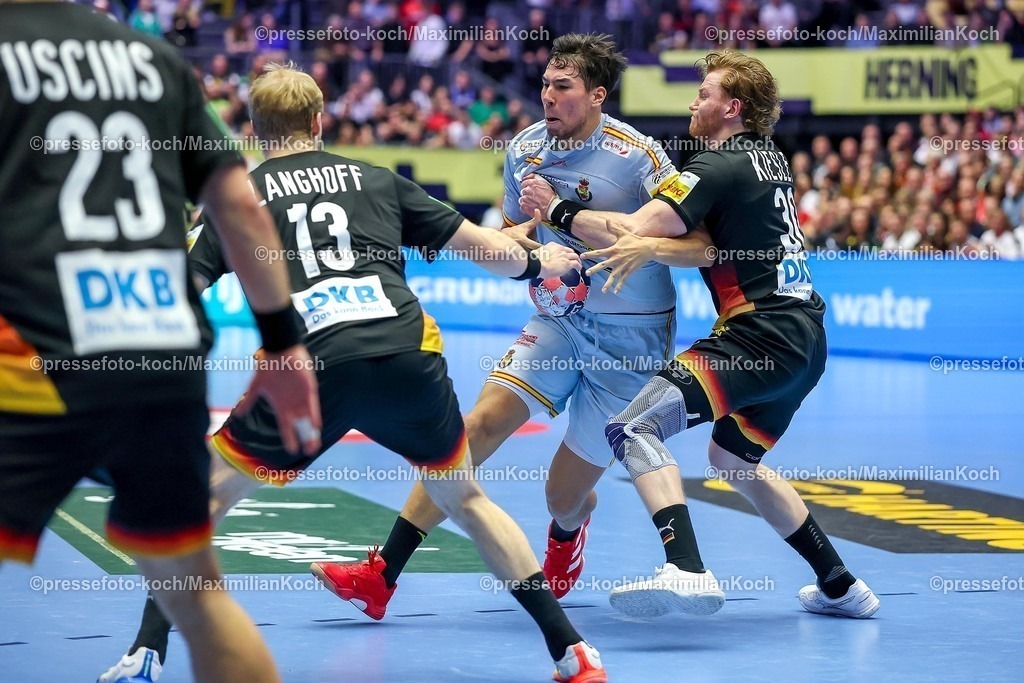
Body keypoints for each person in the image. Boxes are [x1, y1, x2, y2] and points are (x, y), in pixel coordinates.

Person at [99, 64, 606, 683]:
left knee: (197, 499)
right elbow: (489, 251)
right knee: (466, 498)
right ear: (319, 122)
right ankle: (572, 652)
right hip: (405, 355)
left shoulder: (237, 198)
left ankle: (145, 654)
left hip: (313, 366)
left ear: (253, 130)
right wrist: (540, 260)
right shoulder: (376, 178)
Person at [314, 32, 689, 616]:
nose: (547, 96)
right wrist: (524, 245)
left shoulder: (638, 156)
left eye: (562, 86)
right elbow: (514, 236)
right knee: (477, 426)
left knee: (562, 495)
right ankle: (381, 575)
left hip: (631, 338)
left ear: (597, 95)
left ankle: (568, 531)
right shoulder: (525, 149)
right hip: (561, 320)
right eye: (544, 84)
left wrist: (565, 212)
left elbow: (674, 233)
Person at [0, 3, 322, 683]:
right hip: (162, 351)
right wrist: (282, 345)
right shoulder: (153, 59)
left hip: (33, 353)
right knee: (197, 595)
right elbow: (238, 206)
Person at [520, 50, 881, 619]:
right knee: (734, 460)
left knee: (632, 427)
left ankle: (686, 568)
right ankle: (840, 584)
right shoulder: (770, 160)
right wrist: (654, 246)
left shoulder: (716, 165)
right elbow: (701, 247)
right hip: (807, 338)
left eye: (704, 94)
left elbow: (628, 228)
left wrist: (557, 210)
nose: (693, 104)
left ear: (732, 108)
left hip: (758, 334)